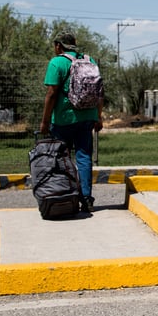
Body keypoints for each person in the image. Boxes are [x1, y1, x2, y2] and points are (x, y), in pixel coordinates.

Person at [39, 32, 103, 212]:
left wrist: (45, 121)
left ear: (58, 46)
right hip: (88, 117)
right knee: (84, 157)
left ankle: (66, 197)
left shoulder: (57, 62)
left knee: (62, 159)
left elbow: (51, 94)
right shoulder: (90, 61)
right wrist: (98, 116)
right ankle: (87, 199)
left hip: (63, 119)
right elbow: (99, 93)